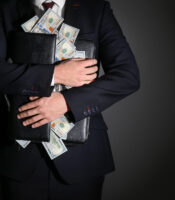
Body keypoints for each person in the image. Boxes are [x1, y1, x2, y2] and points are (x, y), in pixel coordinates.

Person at [0, 0, 140, 199]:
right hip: (18, 157)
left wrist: (66, 102)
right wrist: (54, 75)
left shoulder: (95, 8)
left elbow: (127, 76)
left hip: (81, 158)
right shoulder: (6, 7)